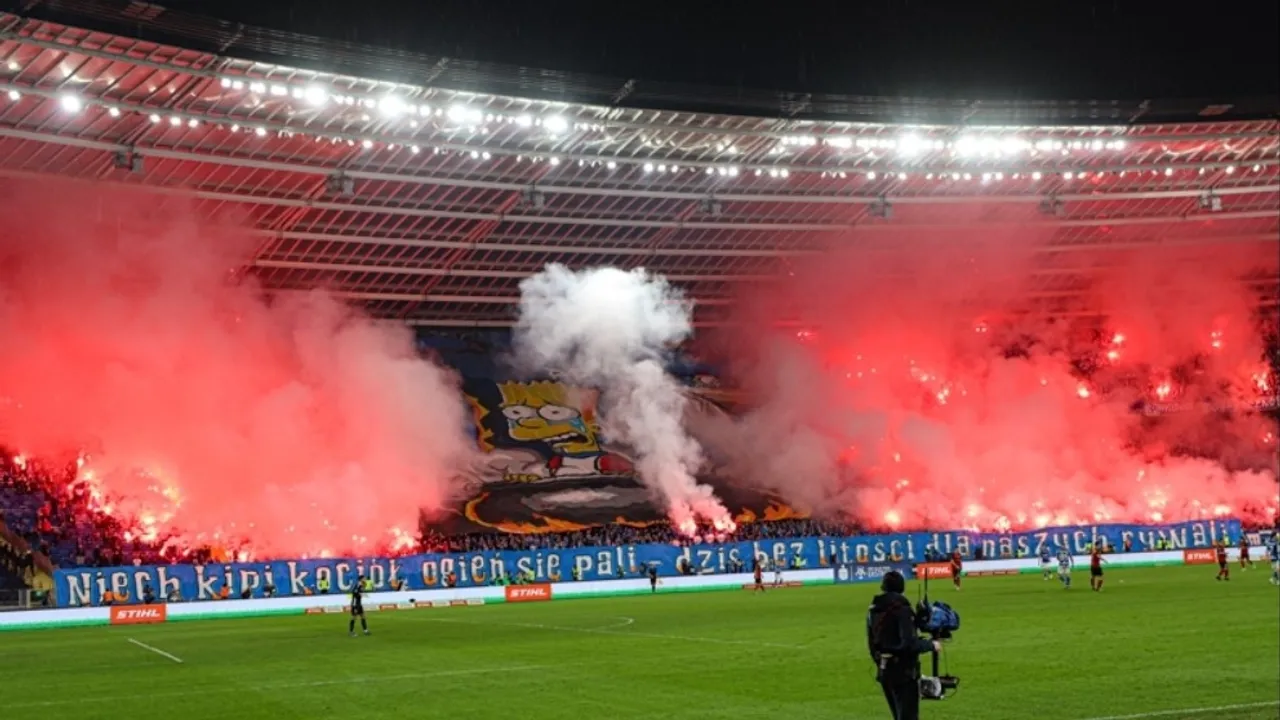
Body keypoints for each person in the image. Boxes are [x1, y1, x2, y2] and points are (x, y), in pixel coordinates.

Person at [866, 569, 940, 720]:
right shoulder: (902, 609)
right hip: (904, 673)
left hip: (885, 670)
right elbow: (909, 644)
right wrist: (931, 645)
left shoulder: (873, 610)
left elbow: (872, 644)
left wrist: (881, 662)